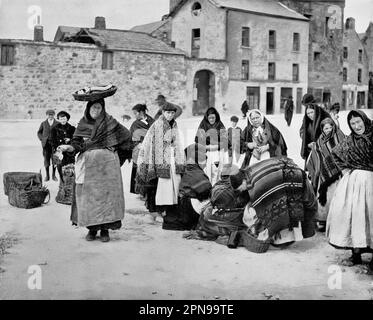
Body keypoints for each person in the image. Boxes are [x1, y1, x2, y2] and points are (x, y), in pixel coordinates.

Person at [60, 98, 132, 242]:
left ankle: (105, 230)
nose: (96, 111)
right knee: (89, 198)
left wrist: (118, 155)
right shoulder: (83, 124)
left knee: (107, 198)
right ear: (88, 108)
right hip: (89, 166)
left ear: (103, 108)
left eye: (99, 108)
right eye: (93, 108)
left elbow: (126, 137)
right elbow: (76, 143)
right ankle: (92, 230)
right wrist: (70, 148)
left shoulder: (111, 123)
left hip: (108, 167)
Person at [230, 157, 317, 249]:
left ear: (243, 181)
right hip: (288, 170)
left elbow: (267, 206)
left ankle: (285, 238)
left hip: (290, 175)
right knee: (282, 204)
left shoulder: (255, 182)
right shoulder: (249, 173)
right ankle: (285, 237)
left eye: (240, 188)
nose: (242, 191)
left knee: (280, 205)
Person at [326, 110, 373, 272]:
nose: (357, 126)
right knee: (354, 217)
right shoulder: (350, 140)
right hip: (353, 183)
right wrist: (346, 171)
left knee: (371, 217)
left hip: (371, 183)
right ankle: (356, 254)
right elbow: (335, 154)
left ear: (365, 121)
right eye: (353, 124)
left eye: (359, 122)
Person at [136, 103, 185, 226]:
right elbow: (152, 143)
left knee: (174, 183)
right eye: (167, 112)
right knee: (158, 184)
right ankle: (157, 211)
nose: (170, 115)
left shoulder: (174, 124)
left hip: (172, 157)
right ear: (163, 113)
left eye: (172, 113)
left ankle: (170, 209)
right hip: (158, 158)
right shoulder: (157, 125)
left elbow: (177, 140)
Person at [306, 118, 345, 231]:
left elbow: (344, 152)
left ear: (334, 127)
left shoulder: (340, 137)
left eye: (330, 127)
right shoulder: (320, 139)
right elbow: (317, 153)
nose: (328, 130)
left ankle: (335, 221)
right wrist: (314, 148)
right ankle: (323, 220)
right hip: (323, 174)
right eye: (325, 128)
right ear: (322, 129)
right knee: (324, 198)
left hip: (337, 174)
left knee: (335, 197)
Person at [164, 143, 212, 230]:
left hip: (180, 208)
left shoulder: (187, 169)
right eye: (204, 161)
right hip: (188, 208)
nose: (205, 164)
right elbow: (207, 191)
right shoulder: (197, 173)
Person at [195, 107, 228, 185]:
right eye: (210, 118)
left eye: (213, 117)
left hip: (218, 152)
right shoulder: (203, 125)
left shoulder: (220, 125)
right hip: (206, 153)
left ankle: (216, 189)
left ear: (216, 117)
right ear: (207, 117)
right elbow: (198, 141)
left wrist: (216, 147)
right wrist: (206, 147)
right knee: (206, 173)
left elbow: (225, 141)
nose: (212, 120)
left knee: (216, 173)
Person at [299, 94, 331, 167]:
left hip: (323, 153)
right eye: (306, 106)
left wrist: (318, 144)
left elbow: (331, 133)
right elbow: (302, 130)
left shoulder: (324, 115)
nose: (309, 114)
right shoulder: (306, 117)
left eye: (311, 112)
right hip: (310, 152)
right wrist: (304, 137)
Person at [129, 104, 154, 194]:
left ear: (141, 112)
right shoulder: (135, 124)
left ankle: (147, 192)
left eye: (135, 113)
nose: (134, 115)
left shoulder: (152, 121)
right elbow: (131, 137)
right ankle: (139, 190)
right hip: (139, 150)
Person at [51, 111, 76, 182]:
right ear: (58, 119)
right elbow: (52, 140)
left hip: (69, 151)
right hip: (59, 151)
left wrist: (70, 140)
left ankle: (70, 181)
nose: (63, 120)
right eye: (61, 119)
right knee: (59, 165)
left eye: (64, 118)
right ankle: (62, 180)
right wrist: (57, 147)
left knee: (69, 167)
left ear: (67, 119)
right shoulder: (54, 129)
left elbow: (76, 139)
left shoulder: (72, 128)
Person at [37, 109, 58, 181]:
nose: (50, 116)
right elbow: (39, 132)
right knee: (46, 160)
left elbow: (60, 132)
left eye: (52, 115)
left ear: (54, 115)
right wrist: (42, 139)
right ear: (47, 115)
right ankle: (47, 176)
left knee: (55, 159)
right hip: (46, 145)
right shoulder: (43, 123)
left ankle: (54, 176)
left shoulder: (57, 123)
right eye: (49, 115)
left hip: (55, 145)